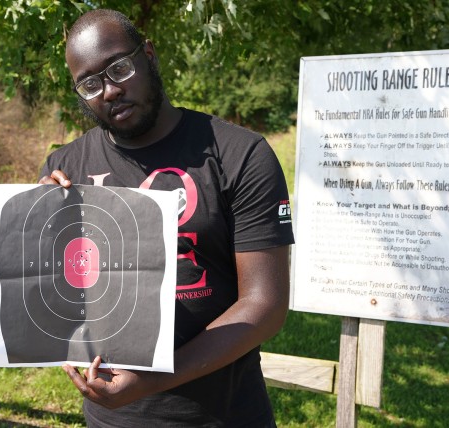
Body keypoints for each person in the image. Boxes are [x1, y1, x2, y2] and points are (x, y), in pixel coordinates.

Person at [38, 8, 294, 427]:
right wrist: (38, 222)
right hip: (111, 420)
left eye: (118, 67)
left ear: (150, 55)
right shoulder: (66, 165)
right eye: (89, 83)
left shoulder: (240, 155)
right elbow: (54, 297)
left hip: (223, 416)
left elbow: (265, 304)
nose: (108, 91)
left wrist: (152, 380)